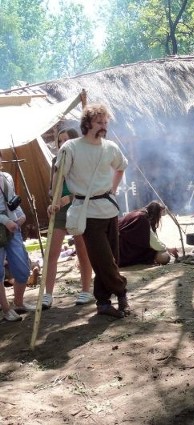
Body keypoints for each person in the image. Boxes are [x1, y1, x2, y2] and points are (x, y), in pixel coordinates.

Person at [54, 103, 130, 318]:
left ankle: (103, 303)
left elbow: (121, 166)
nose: (103, 126)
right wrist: (56, 199)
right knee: (103, 260)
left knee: (110, 259)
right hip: (87, 213)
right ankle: (122, 291)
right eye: (99, 122)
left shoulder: (110, 147)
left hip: (109, 210)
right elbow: (59, 175)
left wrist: (113, 190)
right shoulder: (71, 148)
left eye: (105, 122)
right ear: (87, 123)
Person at [43, 128, 93, 309]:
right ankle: (47, 294)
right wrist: (53, 202)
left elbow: (87, 188)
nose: (62, 143)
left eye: (66, 139)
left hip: (77, 207)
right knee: (51, 252)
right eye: (59, 141)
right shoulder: (55, 161)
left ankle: (86, 290)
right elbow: (51, 189)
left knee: (82, 250)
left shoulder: (81, 159)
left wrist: (69, 198)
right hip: (60, 211)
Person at [0, 152, 34, 316]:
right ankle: (6, 309)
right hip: (2, 227)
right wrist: (5, 221)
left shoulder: (6, 176)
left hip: (13, 228)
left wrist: (21, 216)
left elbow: (12, 200)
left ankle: (19, 303)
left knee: (22, 268)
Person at [118, 201, 179, 267]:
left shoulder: (139, 213)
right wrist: (168, 249)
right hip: (122, 249)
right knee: (165, 257)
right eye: (159, 215)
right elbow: (153, 242)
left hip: (120, 245)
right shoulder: (142, 218)